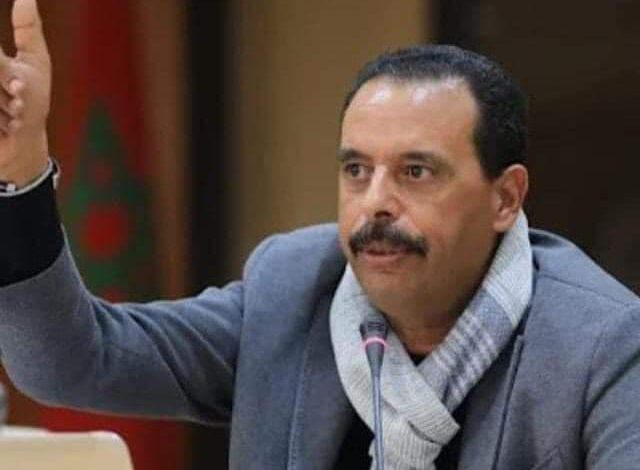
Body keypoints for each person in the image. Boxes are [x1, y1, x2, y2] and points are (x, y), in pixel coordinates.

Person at [0, 1, 638, 469]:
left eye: (415, 172)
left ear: (505, 198)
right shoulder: (293, 288)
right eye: (357, 170)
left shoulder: (601, 345)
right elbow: (71, 362)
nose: (375, 203)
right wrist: (23, 172)